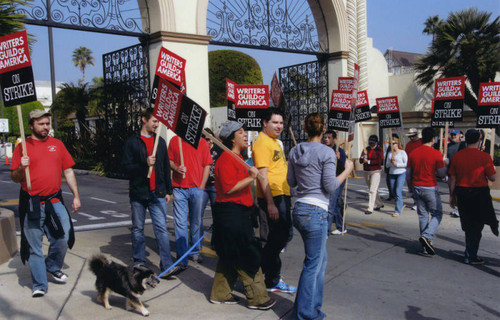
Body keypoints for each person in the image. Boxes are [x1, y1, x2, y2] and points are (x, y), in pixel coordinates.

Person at [287, 112, 354, 320]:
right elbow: (331, 185)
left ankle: (312, 308)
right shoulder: (326, 153)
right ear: (323, 129)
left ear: (305, 129)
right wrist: (347, 170)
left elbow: (291, 182)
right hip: (315, 211)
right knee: (313, 264)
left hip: (300, 209)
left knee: (319, 263)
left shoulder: (295, 151)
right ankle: (304, 314)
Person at [10, 110, 81, 298]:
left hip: (54, 200)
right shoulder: (22, 148)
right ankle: (40, 284)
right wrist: (21, 167)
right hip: (32, 202)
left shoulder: (57, 145)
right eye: (41, 124)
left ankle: (53, 266)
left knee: (63, 236)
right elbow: (15, 178)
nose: (46, 127)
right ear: (31, 125)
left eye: (47, 123)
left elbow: (68, 171)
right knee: (34, 246)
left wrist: (76, 195)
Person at [209, 121, 276, 310]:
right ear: (232, 138)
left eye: (244, 131)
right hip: (231, 215)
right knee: (247, 255)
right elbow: (229, 189)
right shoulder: (225, 159)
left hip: (241, 214)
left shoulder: (238, 158)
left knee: (230, 254)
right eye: (240, 132)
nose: (245, 135)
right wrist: (251, 177)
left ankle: (220, 293)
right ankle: (258, 298)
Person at [122, 108, 180, 277]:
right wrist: (144, 163)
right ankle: (139, 261)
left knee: (161, 229)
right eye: (154, 121)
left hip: (158, 193)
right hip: (139, 193)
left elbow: (165, 167)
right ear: (144, 120)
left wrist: (169, 190)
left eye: (158, 122)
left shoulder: (160, 141)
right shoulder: (132, 142)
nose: (156, 125)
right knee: (138, 229)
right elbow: (125, 167)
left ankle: (166, 265)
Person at [252, 108, 295, 293]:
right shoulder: (262, 143)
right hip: (273, 196)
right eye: (275, 122)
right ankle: (268, 275)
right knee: (277, 237)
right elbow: (262, 175)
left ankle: (265, 269)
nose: (279, 126)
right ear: (265, 123)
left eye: (281, 123)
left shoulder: (274, 142)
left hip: (282, 193)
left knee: (284, 236)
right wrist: (270, 203)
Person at [448, 129, 498, 265]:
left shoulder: (457, 156)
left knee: (468, 224)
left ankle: (470, 252)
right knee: (476, 226)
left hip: (462, 192)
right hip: (479, 193)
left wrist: (452, 196)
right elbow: (493, 177)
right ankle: (470, 255)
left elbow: (452, 178)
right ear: (479, 140)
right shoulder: (484, 156)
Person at [168, 131, 213, 267]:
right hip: (179, 187)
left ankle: (194, 250)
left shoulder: (202, 142)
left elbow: (207, 165)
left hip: (196, 188)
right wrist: (176, 167)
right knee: (180, 223)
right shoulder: (175, 140)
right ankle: (182, 255)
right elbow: (168, 160)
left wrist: (201, 186)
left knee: (195, 221)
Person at [408, 127, 447, 256]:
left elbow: (408, 173)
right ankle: (427, 235)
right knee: (437, 214)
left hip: (416, 186)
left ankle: (425, 245)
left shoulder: (413, 153)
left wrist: (410, 187)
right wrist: (444, 163)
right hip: (429, 186)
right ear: (433, 139)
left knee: (423, 215)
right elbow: (441, 174)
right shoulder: (436, 153)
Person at [200, 128, 222, 243]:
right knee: (198, 213)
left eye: (209, 139)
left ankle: (215, 241)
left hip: (214, 186)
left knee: (217, 215)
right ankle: (198, 242)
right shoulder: (200, 149)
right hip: (202, 186)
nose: (207, 142)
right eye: (204, 139)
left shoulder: (218, 150)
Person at [323, 130, 347, 234]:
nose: (326, 139)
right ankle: (341, 227)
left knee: (331, 205)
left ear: (334, 139)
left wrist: (339, 159)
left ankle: (326, 231)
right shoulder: (323, 149)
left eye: (329, 138)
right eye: (325, 137)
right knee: (336, 203)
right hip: (327, 178)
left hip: (337, 179)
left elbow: (344, 166)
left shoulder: (339, 151)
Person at [359, 134, 384, 215]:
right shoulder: (366, 149)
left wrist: (369, 161)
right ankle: (379, 203)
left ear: (376, 142)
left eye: (373, 143)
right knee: (373, 188)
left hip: (375, 171)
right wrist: (363, 157)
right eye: (370, 142)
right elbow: (360, 161)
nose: (371, 144)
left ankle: (370, 208)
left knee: (372, 190)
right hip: (367, 171)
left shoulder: (379, 150)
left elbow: (379, 161)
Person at [385, 137, 408, 217]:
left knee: (398, 191)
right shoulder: (390, 153)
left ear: (397, 144)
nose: (392, 145)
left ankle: (397, 210)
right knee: (393, 192)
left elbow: (406, 164)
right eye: (390, 143)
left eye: (393, 143)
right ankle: (401, 204)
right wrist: (391, 162)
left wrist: (397, 164)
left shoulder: (402, 152)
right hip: (392, 173)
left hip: (401, 173)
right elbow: (387, 165)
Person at [446, 129, 466, 217]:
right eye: (452, 135)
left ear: (459, 135)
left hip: (459, 172)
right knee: (452, 192)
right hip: (450, 172)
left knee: (458, 191)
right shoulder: (448, 146)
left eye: (455, 135)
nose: (453, 136)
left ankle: (459, 209)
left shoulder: (463, 145)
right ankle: (456, 208)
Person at [405, 128, 422, 210]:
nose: (411, 138)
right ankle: (415, 199)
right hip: (410, 166)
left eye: (413, 136)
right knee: (409, 179)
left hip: (419, 166)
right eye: (410, 137)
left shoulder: (422, 143)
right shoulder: (408, 145)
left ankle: (420, 201)